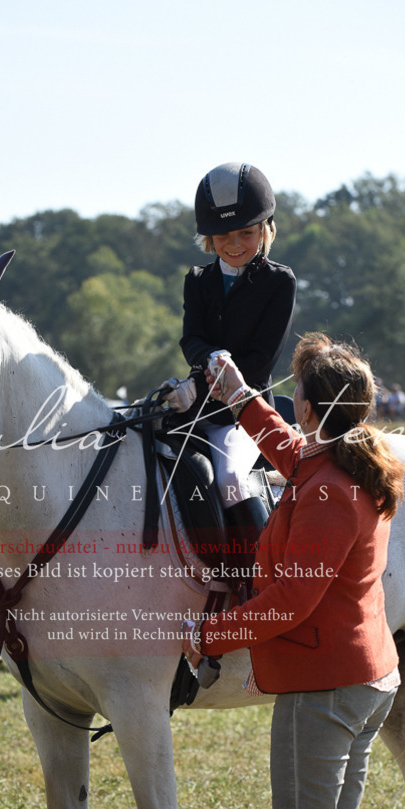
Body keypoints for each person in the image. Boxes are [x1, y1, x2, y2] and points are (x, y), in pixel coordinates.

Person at [183, 333, 405, 809]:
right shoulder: (339, 463)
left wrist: (209, 634)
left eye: (295, 393)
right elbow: (285, 448)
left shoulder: (328, 491)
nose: (291, 403)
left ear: (310, 406)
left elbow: (289, 602)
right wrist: (240, 397)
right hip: (360, 677)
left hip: (326, 687)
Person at [171, 161, 296, 581]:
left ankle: (261, 579)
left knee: (229, 479)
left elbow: (261, 360)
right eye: (224, 235)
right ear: (209, 238)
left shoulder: (279, 282)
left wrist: (203, 381)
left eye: (246, 232)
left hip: (246, 412)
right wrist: (204, 366)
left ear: (265, 229)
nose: (235, 244)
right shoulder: (197, 280)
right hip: (197, 405)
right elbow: (191, 339)